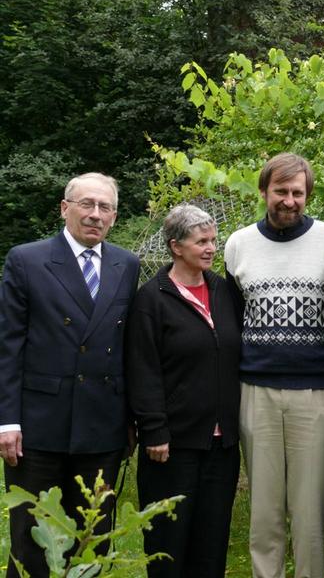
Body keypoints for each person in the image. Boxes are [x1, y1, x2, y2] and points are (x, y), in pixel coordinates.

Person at [0, 172, 140, 578]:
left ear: (114, 217)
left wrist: (131, 418)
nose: (95, 215)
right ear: (65, 208)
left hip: (102, 426)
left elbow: (127, 346)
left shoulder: (126, 265)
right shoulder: (27, 260)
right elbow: (9, 346)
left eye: (105, 207)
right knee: (32, 540)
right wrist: (7, 420)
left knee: (90, 539)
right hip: (40, 426)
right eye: (87, 204)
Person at [224, 153, 324, 578]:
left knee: (310, 514)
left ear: (307, 195)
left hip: (317, 390)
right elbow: (234, 318)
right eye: (280, 191)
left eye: (297, 193)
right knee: (264, 512)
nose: (289, 201)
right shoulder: (238, 244)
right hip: (256, 391)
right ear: (264, 192)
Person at [125, 204, 241, 578]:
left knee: (211, 542)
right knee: (168, 543)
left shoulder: (224, 292)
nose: (211, 248)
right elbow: (142, 368)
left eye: (213, 240)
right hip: (172, 446)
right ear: (176, 246)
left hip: (222, 445)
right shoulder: (151, 299)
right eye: (201, 241)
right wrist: (154, 429)